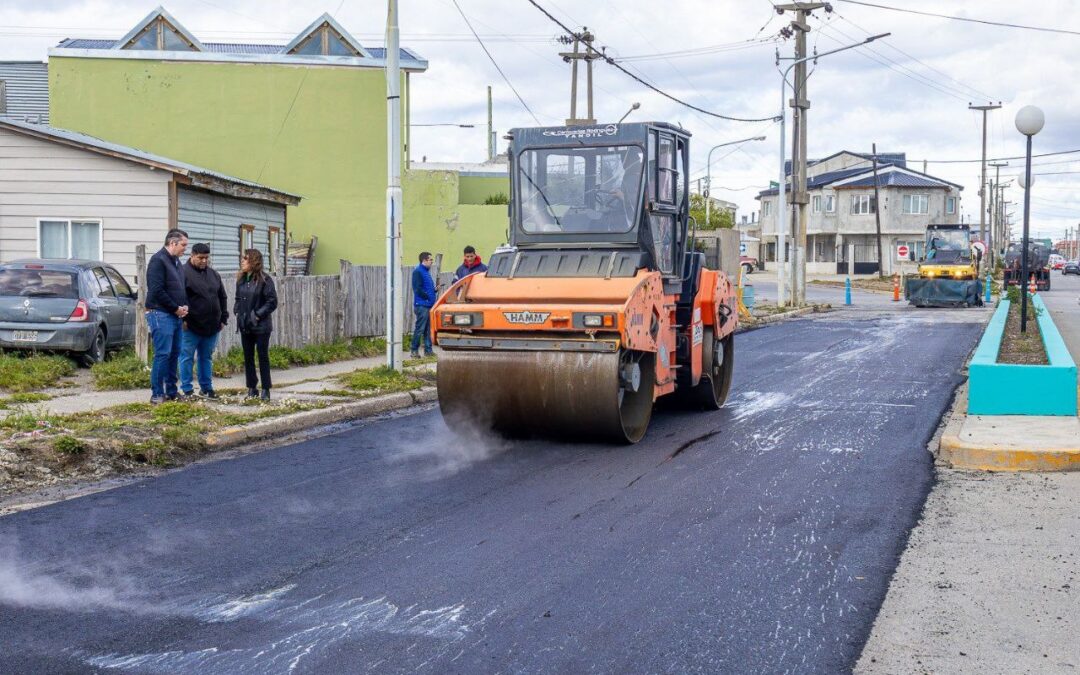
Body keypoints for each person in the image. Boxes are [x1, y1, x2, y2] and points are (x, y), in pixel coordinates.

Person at [145, 229, 189, 404]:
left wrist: (184, 305)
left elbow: (181, 288)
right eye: (183, 245)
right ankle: (157, 393)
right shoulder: (158, 261)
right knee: (162, 353)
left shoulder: (176, 262)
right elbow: (157, 290)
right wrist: (175, 308)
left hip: (175, 314)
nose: (185, 248)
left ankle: (171, 390)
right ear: (173, 243)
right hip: (160, 312)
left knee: (174, 353)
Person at [179, 243, 229, 399]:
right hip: (190, 325)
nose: (204, 261)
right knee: (186, 357)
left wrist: (223, 318)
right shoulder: (182, 273)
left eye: (206, 258)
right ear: (192, 255)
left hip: (212, 325)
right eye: (200, 258)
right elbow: (179, 297)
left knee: (206, 357)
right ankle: (187, 389)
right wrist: (183, 319)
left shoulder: (213, 274)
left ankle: (206, 388)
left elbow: (222, 296)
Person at [234, 249, 278, 400]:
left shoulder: (265, 280)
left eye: (245, 258)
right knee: (248, 357)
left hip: (261, 326)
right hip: (245, 325)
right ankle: (252, 388)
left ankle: (266, 388)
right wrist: (237, 311)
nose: (242, 261)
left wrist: (258, 315)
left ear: (253, 261)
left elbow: (272, 302)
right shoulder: (241, 279)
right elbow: (238, 299)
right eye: (242, 258)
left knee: (262, 356)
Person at [410, 251, 436, 358]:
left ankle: (428, 351)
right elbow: (417, 289)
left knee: (427, 329)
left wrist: (434, 290)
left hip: (428, 304)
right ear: (424, 260)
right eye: (430, 260)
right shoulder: (418, 271)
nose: (431, 262)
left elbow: (425, 288)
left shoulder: (425, 272)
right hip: (422, 305)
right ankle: (414, 350)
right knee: (420, 328)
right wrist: (427, 297)